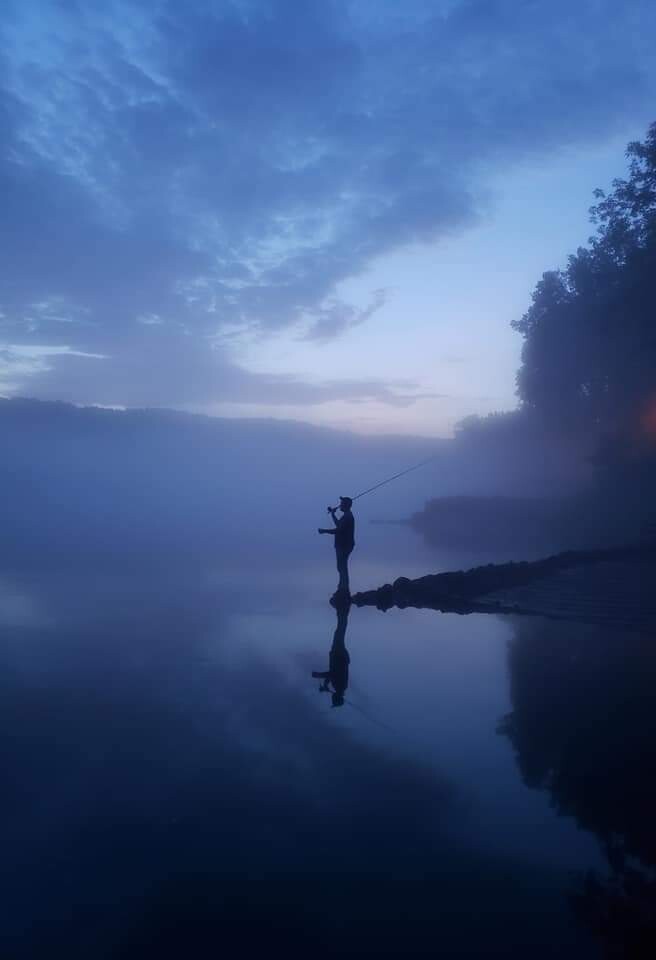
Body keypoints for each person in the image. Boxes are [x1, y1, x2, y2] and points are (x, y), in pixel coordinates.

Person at [312, 597, 351, 707]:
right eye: (333, 700)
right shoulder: (340, 686)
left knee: (339, 630)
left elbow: (331, 676)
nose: (332, 698)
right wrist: (318, 675)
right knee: (340, 630)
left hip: (339, 654)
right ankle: (343, 609)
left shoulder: (339, 687)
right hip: (339, 654)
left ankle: (342, 610)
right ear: (336, 698)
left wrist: (325, 684)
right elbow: (333, 674)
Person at [318, 496, 355, 595]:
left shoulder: (348, 517)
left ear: (346, 505)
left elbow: (338, 530)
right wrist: (333, 515)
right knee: (341, 566)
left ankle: (344, 588)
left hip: (344, 545)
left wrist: (324, 531)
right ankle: (342, 587)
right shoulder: (346, 516)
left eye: (341, 503)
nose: (339, 505)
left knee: (342, 566)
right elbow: (339, 525)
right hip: (343, 545)